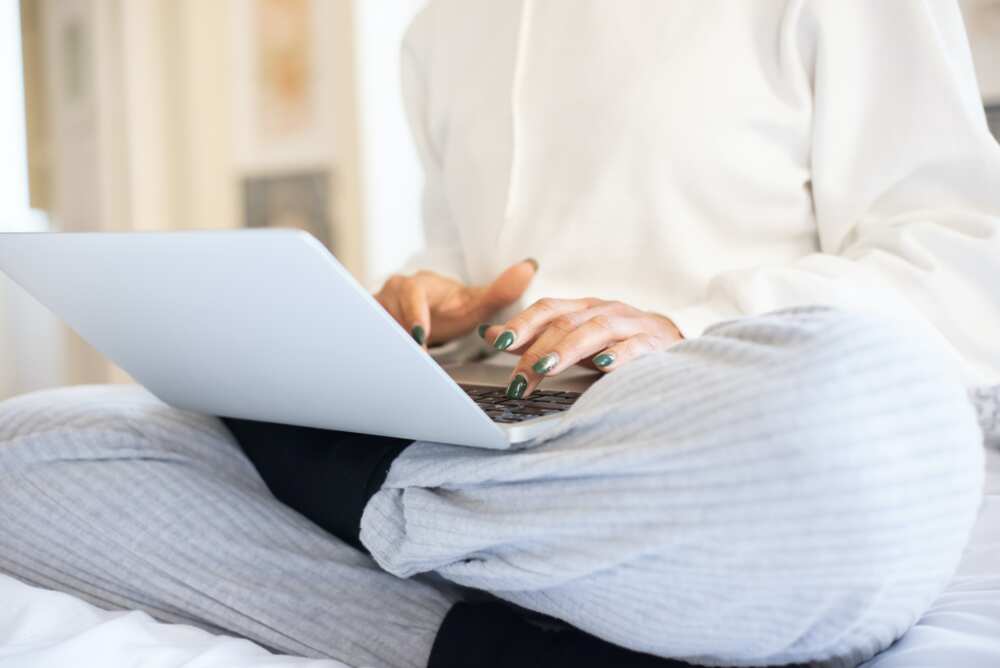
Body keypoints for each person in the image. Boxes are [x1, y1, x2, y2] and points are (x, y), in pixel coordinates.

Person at [1, 2, 998, 667]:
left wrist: (678, 326)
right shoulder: (444, 30)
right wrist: (426, 321)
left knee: (860, 427)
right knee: (32, 452)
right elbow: (490, 304)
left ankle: (357, 495)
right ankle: (484, 592)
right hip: (512, 451)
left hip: (717, 443)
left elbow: (966, 264)